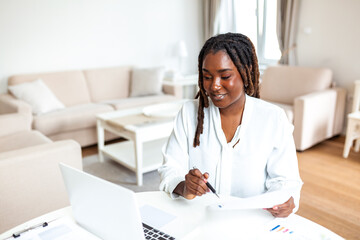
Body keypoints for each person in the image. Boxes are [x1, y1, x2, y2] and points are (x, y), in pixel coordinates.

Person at [158, 32, 303, 218]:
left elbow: (286, 181)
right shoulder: (188, 113)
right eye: (207, 77)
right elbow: (169, 168)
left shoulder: (273, 118)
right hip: (198, 218)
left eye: (225, 76)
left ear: (246, 71)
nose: (214, 86)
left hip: (252, 220)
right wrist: (184, 186)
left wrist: (285, 201)